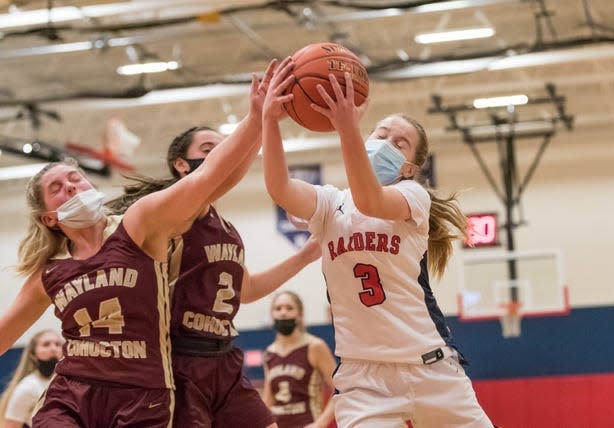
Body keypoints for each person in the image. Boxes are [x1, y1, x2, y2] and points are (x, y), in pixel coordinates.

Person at [0, 58, 282, 428]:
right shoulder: (50, 272)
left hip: (142, 395)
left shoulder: (138, 225)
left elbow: (207, 180)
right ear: (49, 218)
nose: (72, 186)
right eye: (58, 188)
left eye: (76, 178)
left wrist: (255, 120)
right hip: (73, 392)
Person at [261, 68, 494, 427]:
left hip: (430, 368)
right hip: (364, 379)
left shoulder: (412, 197)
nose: (386, 143)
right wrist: (270, 122)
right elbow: (279, 187)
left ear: (409, 168)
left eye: (399, 143)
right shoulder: (328, 204)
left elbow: (369, 200)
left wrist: (346, 129)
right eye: (381, 134)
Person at [105, 94, 321, 426]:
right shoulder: (172, 214)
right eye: (209, 149)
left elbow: (245, 289)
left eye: (224, 148)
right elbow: (217, 175)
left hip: (223, 355)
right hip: (179, 357)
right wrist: (260, 121)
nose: (221, 155)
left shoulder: (226, 228)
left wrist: (305, 256)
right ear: (180, 164)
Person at [263, 291, 336, 428]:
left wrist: (320, 424)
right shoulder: (269, 353)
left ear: (300, 315)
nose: (283, 313)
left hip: (308, 422)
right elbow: (268, 400)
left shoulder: (315, 347)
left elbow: (340, 389)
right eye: (278, 308)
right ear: (272, 316)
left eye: (289, 308)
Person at [0, 329, 63, 428]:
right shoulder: (28, 386)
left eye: (58, 344)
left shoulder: (70, 382)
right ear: (33, 354)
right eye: (46, 344)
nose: (53, 348)